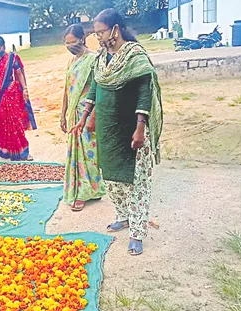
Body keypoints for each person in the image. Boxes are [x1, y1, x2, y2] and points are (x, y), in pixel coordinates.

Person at [72, 9, 163, 256]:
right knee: (112, 179)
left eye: (101, 32)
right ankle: (123, 217)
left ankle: (137, 233)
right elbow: (94, 89)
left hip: (131, 129)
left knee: (136, 182)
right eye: (96, 32)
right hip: (108, 129)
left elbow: (145, 93)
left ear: (115, 29)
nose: (98, 37)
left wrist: (140, 128)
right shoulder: (102, 59)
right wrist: (83, 117)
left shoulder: (135, 57)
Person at [60, 24, 106, 212]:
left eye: (73, 42)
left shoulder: (93, 59)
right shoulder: (72, 61)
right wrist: (62, 114)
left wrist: (93, 116)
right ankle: (79, 190)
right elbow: (67, 89)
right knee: (75, 152)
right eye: (67, 43)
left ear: (82, 39)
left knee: (89, 152)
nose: (70, 46)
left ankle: (90, 190)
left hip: (87, 111)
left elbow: (99, 90)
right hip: (73, 112)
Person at [0, 36, 36, 161]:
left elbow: (19, 73)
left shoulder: (12, 58)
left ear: (3, 47)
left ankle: (23, 152)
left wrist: (24, 89)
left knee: (15, 122)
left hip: (11, 94)